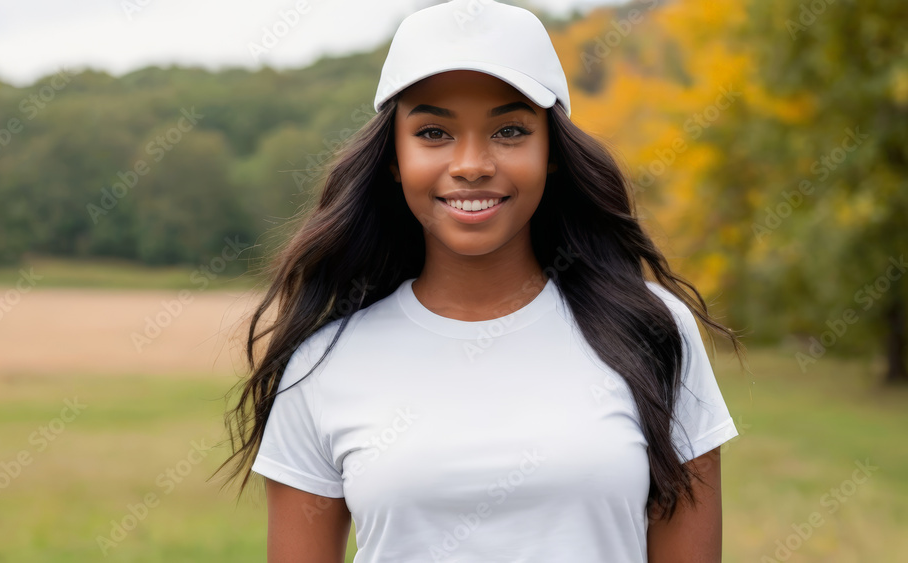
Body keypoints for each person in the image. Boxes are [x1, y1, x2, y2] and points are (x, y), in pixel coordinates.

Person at [217, 1, 745, 561]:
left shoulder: (653, 330)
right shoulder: (323, 364)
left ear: (553, 155)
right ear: (395, 157)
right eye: (434, 132)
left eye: (510, 130)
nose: (472, 163)